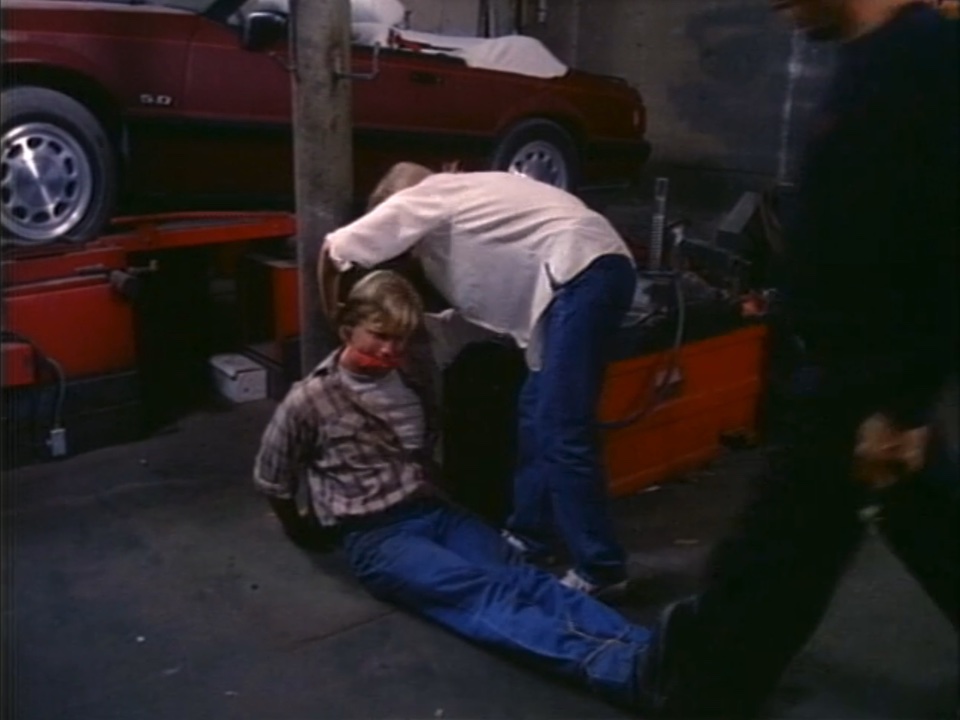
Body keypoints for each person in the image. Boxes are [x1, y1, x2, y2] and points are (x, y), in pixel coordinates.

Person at [661, 1, 959, 717]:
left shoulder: (926, 60)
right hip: (841, 383)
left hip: (859, 397)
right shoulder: (865, 59)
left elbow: (943, 245)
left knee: (763, 585)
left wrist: (897, 402)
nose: (780, 5)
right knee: (919, 530)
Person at [252, 270, 687, 713]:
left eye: (400, 339)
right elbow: (273, 477)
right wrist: (303, 530)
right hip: (378, 536)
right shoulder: (310, 400)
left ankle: (652, 650)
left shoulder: (412, 371)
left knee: (523, 577)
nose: (390, 350)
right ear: (348, 329)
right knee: (481, 594)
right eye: (379, 336)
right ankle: (621, 672)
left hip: (435, 510)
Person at [319, 165, 638, 596]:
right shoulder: (480, 196)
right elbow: (480, 308)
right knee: (535, 416)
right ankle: (529, 537)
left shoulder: (430, 194)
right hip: (588, 273)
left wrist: (334, 319)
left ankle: (602, 568)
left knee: (562, 428)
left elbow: (334, 249)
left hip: (581, 272)